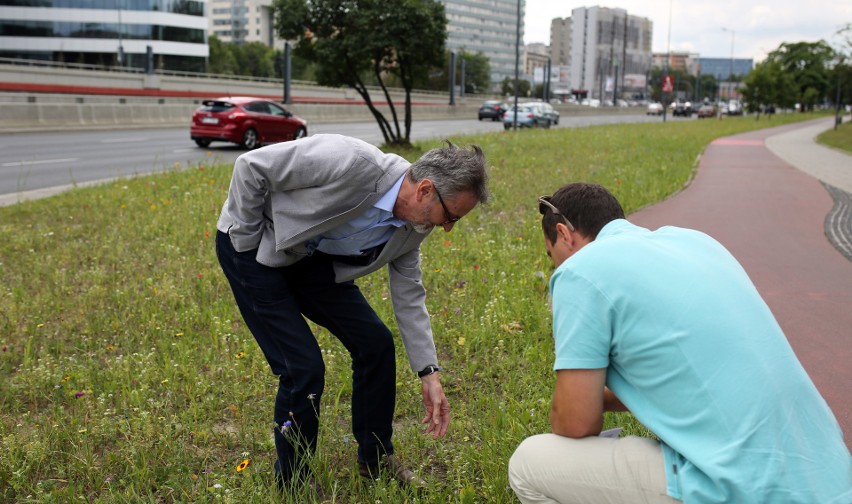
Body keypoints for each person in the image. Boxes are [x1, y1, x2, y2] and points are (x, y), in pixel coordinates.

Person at [509, 182, 851, 504]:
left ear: (563, 234)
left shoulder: (579, 270)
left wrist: (575, 384)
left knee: (528, 464)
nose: (554, 265)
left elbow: (575, 423)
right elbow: (687, 376)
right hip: (830, 478)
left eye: (550, 254)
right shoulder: (697, 242)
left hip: (742, 486)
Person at [215, 134, 489, 490]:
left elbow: (409, 293)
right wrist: (247, 240)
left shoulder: (415, 227)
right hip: (252, 251)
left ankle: (375, 459)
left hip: (308, 261)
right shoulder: (351, 160)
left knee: (375, 343)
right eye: (451, 215)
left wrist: (429, 372)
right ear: (424, 190)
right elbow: (250, 167)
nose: (449, 227)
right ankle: (293, 481)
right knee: (303, 369)